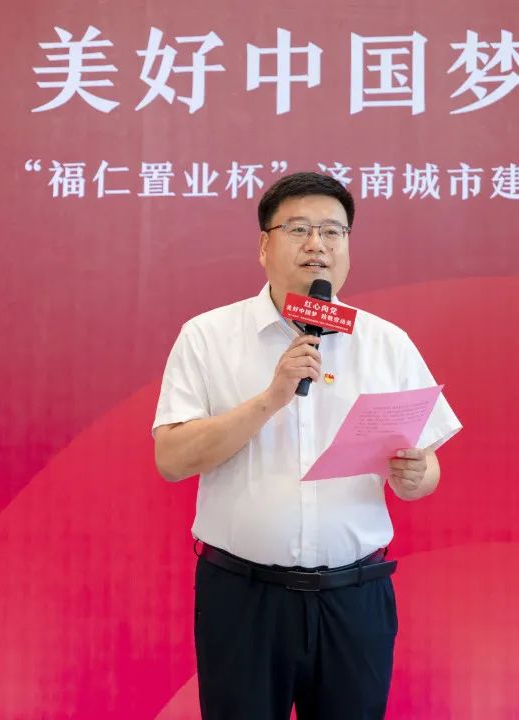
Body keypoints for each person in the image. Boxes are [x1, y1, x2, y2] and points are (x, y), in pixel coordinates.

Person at [152, 172, 461, 719]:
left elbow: (426, 463)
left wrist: (419, 475)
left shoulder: (386, 343)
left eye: (332, 232)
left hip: (354, 597)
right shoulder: (207, 336)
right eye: (298, 229)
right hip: (242, 596)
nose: (317, 244)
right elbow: (172, 460)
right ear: (264, 246)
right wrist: (271, 398)